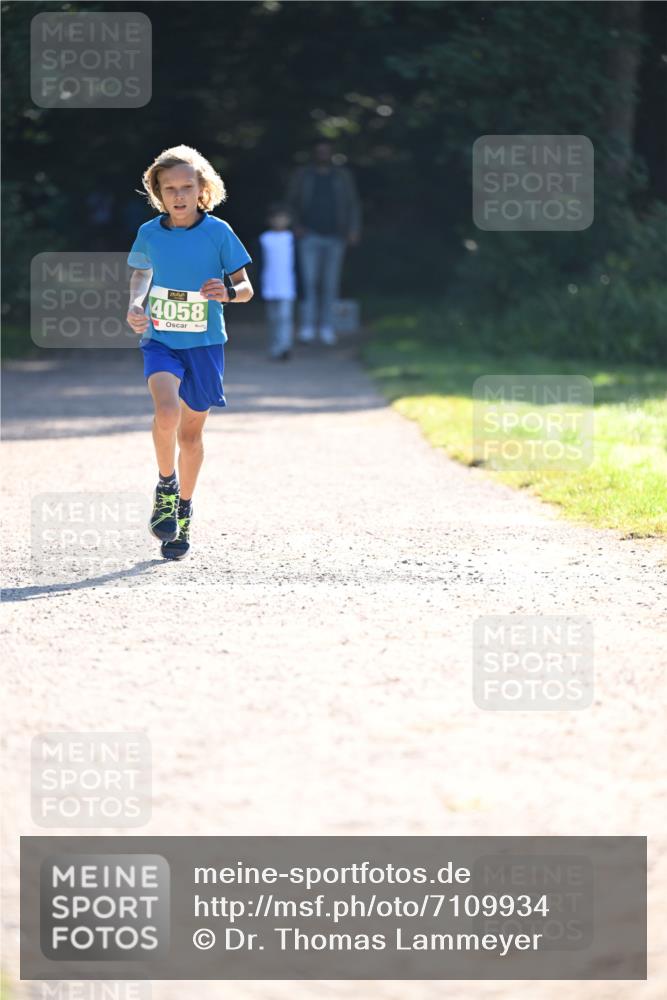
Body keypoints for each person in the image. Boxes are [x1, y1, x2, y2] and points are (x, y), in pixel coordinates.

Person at [126, 144, 253, 560]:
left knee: (190, 436)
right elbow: (141, 274)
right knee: (166, 412)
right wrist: (136, 304)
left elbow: (246, 288)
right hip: (161, 339)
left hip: (205, 344)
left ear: (202, 190)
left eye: (186, 187)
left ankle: (184, 508)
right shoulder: (149, 233)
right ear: (158, 193)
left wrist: (228, 292)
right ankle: (166, 486)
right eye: (169, 188)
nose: (178, 195)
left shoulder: (219, 232)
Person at [287, 141, 361, 346]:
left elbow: (352, 203)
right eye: (319, 151)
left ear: (332, 154)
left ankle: (327, 327)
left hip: (336, 236)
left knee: (331, 283)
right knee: (309, 281)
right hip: (309, 235)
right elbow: (291, 202)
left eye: (326, 152)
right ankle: (308, 326)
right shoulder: (303, 175)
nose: (323, 155)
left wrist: (353, 229)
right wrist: (296, 226)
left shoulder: (342, 176)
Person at [259, 205, 296, 361]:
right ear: (270, 220)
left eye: (283, 218)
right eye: (276, 218)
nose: (280, 221)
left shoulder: (292, 239)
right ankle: (275, 347)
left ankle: (285, 346)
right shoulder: (264, 238)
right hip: (269, 284)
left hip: (288, 285)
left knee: (285, 317)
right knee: (273, 318)